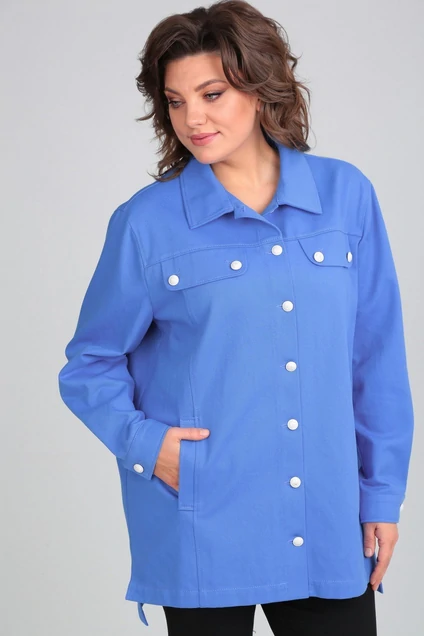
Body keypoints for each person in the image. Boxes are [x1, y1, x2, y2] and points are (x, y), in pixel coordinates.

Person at [57, 1, 414, 634]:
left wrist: (381, 495)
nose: (192, 118)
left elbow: (375, 358)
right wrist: (149, 447)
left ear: (259, 85)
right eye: (175, 101)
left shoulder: (345, 196)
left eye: (212, 94)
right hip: (204, 520)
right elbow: (90, 363)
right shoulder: (146, 223)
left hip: (325, 518)